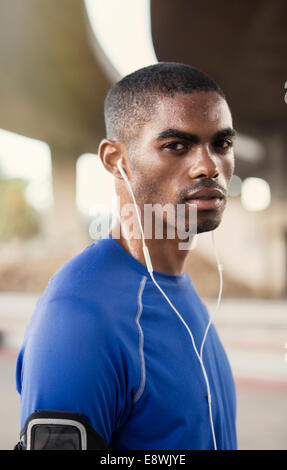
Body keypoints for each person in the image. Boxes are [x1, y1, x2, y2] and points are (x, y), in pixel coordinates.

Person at [15, 62, 237, 450]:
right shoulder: (79, 315)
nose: (208, 166)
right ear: (116, 160)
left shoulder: (181, 290)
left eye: (221, 144)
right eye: (176, 146)